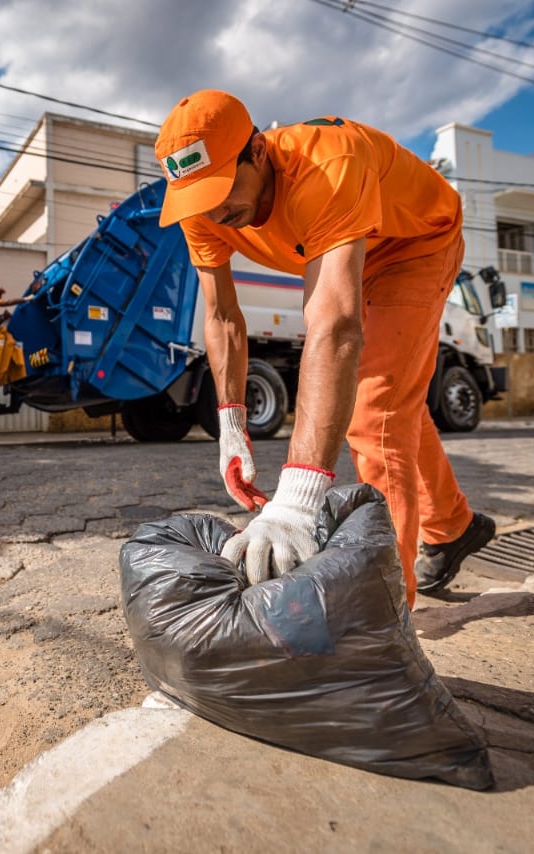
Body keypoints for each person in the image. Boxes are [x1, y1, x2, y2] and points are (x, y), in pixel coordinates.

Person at [155, 89, 495, 608]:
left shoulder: (326, 164)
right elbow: (222, 317)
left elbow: (334, 327)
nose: (215, 211)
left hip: (414, 244)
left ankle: (386, 613)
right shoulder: (201, 210)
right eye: (199, 198)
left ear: (258, 152)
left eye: (223, 189)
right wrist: (231, 427)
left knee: (376, 410)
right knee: (394, 401)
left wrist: (297, 498)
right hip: (352, 250)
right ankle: (452, 526)